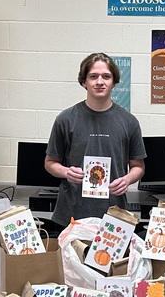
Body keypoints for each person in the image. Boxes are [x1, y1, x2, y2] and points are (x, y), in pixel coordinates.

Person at [44, 53, 145, 235]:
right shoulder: (65, 119)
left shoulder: (129, 122)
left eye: (106, 76)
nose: (100, 82)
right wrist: (66, 172)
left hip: (114, 215)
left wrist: (127, 179)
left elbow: (138, 166)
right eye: (93, 76)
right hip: (72, 215)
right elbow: (50, 163)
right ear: (84, 82)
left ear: (114, 82)